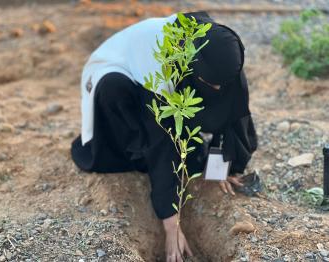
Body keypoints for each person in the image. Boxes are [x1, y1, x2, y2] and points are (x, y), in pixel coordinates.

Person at [70, 10, 257, 262]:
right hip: (118, 72)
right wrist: (171, 222)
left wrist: (221, 167)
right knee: (116, 92)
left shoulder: (221, 55)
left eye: (220, 84)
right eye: (210, 83)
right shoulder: (161, 65)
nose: (217, 89)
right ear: (191, 64)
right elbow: (163, 140)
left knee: (192, 156)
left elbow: (235, 115)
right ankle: (133, 153)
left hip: (181, 76)